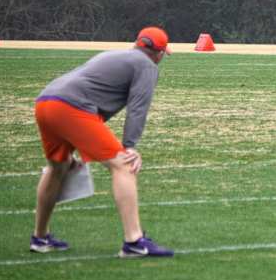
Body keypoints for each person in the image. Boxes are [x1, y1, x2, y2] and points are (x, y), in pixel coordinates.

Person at [30, 27, 174, 258]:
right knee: (124, 165)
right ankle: (134, 242)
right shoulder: (147, 66)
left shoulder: (113, 54)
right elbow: (138, 108)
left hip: (46, 101)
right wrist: (130, 146)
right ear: (159, 53)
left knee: (59, 166)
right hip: (70, 107)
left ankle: (40, 237)